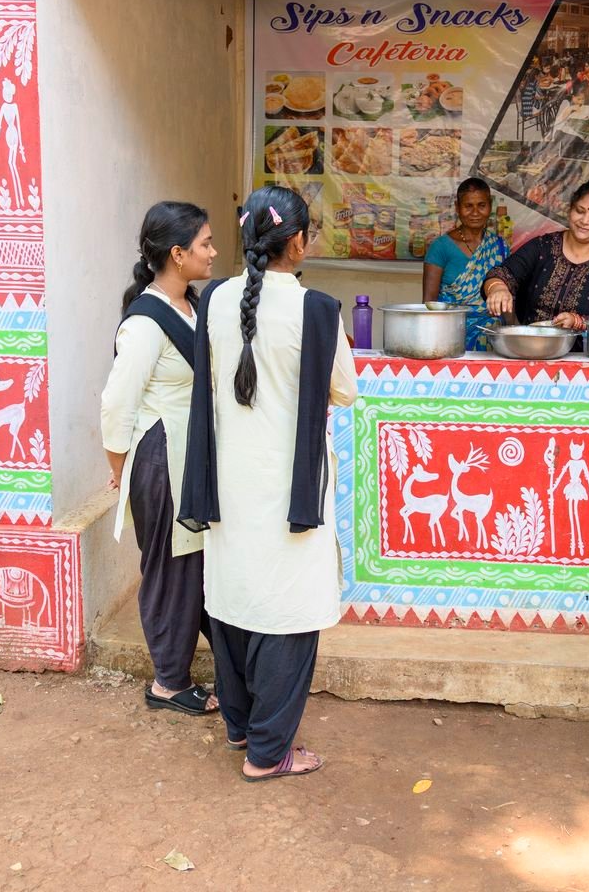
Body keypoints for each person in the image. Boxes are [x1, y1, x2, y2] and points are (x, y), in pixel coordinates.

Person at [178, 185, 357, 781]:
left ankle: (240, 727)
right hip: (288, 490)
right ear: (297, 242)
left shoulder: (214, 300)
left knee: (234, 598)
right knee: (288, 611)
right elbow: (344, 391)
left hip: (227, 483)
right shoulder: (318, 311)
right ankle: (269, 752)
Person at [100, 201, 219, 715]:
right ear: (177, 254)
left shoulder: (190, 306)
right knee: (172, 568)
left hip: (186, 457)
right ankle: (168, 682)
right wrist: (119, 468)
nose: (213, 252)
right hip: (161, 457)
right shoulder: (146, 323)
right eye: (205, 244)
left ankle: (218, 667)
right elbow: (116, 403)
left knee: (195, 564)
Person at [482, 178, 589, 331]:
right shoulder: (543, 246)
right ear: (570, 209)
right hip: (530, 343)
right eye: (580, 211)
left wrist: (577, 321)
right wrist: (498, 288)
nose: (585, 220)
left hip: (583, 347)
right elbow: (502, 273)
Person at [422, 178, 509, 350]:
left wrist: (515, 332)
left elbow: (507, 300)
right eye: (468, 206)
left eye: (481, 205)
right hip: (450, 338)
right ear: (457, 207)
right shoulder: (440, 247)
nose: (475, 212)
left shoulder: (500, 246)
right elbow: (428, 303)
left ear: (490, 206)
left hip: (493, 340)